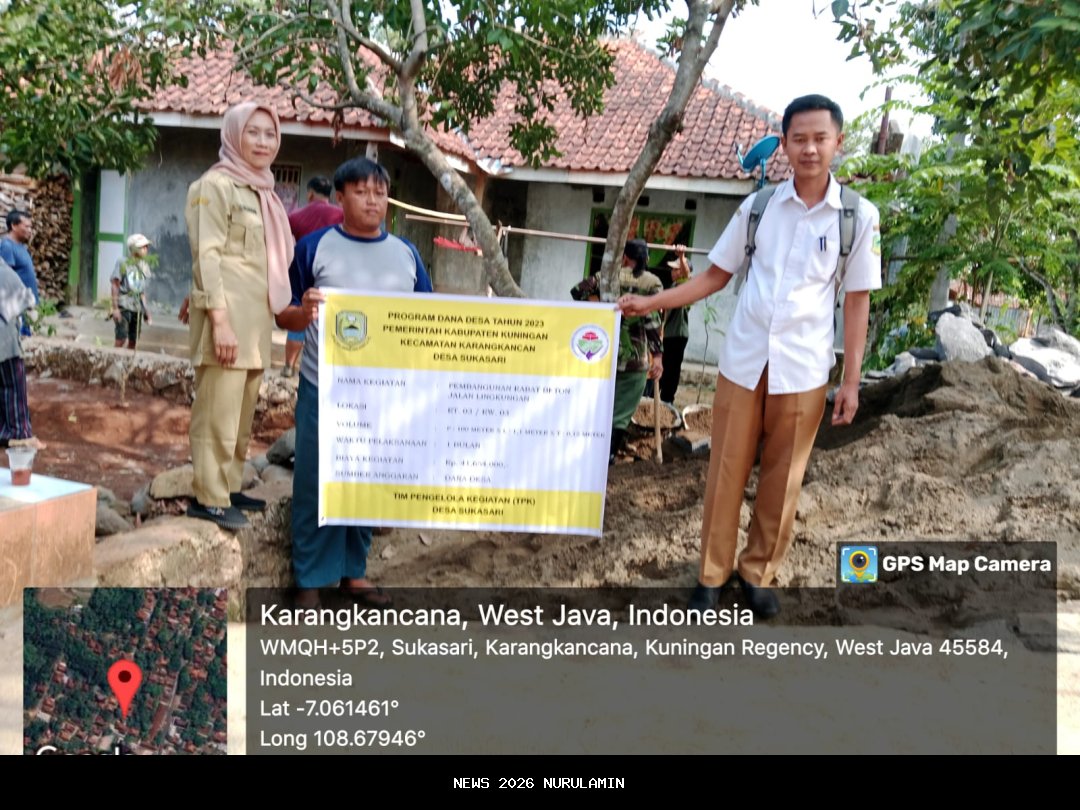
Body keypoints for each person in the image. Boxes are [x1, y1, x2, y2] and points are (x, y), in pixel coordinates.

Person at [618, 95, 881, 617]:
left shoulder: (856, 217)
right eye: (798, 138)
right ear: (783, 144)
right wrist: (650, 301)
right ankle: (711, 576)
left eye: (819, 138)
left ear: (837, 143)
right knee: (725, 472)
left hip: (804, 370)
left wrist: (850, 381)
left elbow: (856, 301)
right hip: (744, 364)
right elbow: (715, 275)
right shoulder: (758, 209)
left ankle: (757, 572)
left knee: (784, 478)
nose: (809, 148)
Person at [275, 157, 432, 606]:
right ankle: (309, 580)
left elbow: (427, 317)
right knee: (314, 480)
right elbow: (283, 312)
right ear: (339, 197)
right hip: (324, 387)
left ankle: (353, 572)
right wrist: (302, 312)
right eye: (362, 192)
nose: (372, 200)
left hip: (385, 393)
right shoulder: (314, 248)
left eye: (380, 193)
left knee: (368, 480)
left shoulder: (406, 255)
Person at [184, 102, 295, 531]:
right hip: (226, 320)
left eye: (270, 134)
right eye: (254, 132)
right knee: (217, 409)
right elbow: (206, 255)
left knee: (242, 408)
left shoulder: (261, 192)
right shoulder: (215, 186)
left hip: (254, 323)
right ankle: (208, 496)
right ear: (234, 135)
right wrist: (220, 320)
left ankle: (228, 486)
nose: (263, 142)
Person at [572, 238, 663, 462]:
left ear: (624, 258)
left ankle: (586, 454)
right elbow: (652, 319)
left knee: (597, 406)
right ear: (647, 259)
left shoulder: (605, 278)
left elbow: (576, 292)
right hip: (635, 358)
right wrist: (658, 356)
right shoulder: (652, 283)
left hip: (603, 353)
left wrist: (601, 305)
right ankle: (609, 456)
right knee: (620, 414)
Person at [282, 177, 345, 378]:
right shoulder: (340, 214)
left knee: (300, 315)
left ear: (310, 193)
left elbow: (284, 241)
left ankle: (289, 366)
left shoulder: (296, 215)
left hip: (304, 270)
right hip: (332, 272)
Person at [0, 257, 42, 449]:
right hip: (4, 341)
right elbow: (26, 300)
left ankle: (3, 433)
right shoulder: (4, 271)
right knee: (13, 386)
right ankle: (19, 433)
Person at [111, 234, 153, 350]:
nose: (146, 249)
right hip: (124, 306)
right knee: (121, 339)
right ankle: (114, 359)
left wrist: (146, 310)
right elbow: (115, 285)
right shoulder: (122, 262)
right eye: (142, 247)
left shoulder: (144, 266)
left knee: (133, 341)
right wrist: (115, 308)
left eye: (146, 247)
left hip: (136, 308)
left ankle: (127, 364)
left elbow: (142, 291)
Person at [0, 211, 39, 337]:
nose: (30, 230)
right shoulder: (7, 247)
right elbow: (5, 279)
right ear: (14, 226)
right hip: (17, 308)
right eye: (26, 226)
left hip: (25, 305)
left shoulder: (21, 246)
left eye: (30, 227)